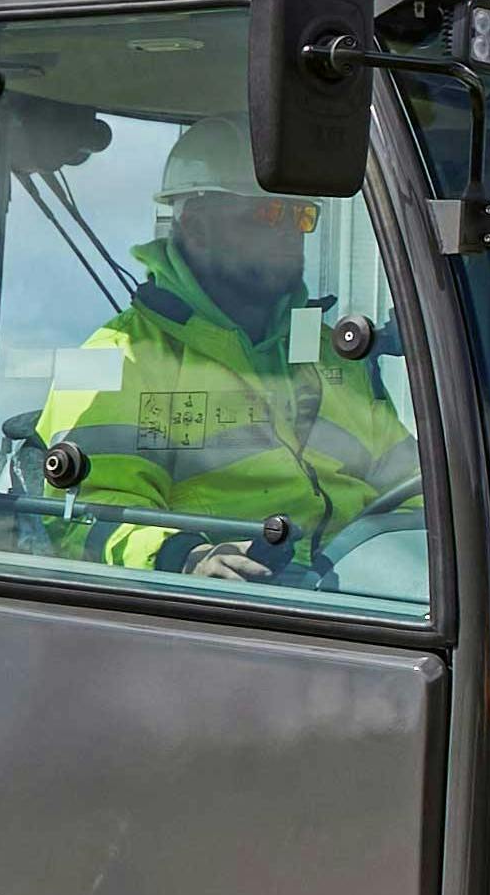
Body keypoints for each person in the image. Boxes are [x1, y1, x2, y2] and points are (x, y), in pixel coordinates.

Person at [33, 120, 416, 583]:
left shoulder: (329, 352)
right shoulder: (113, 357)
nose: (293, 234)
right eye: (272, 215)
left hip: (366, 594)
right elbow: (85, 513)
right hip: (229, 610)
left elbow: (410, 485)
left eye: (302, 217)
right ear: (197, 224)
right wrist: (186, 556)